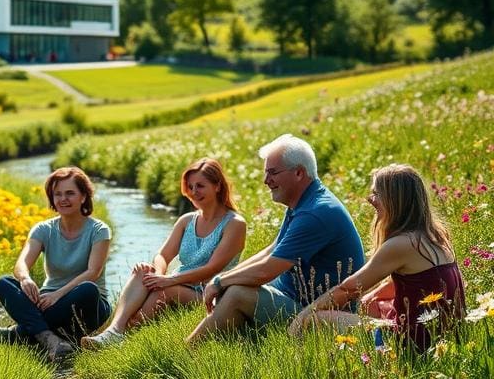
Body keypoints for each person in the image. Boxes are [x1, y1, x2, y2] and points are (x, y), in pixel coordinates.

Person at [186, 134, 364, 345]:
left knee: (236, 294)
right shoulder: (304, 202)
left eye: (273, 173)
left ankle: (189, 351)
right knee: (232, 289)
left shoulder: (315, 212)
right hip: (292, 296)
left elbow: (266, 270)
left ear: (298, 172)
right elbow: (273, 249)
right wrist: (227, 277)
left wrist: (219, 281)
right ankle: (219, 351)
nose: (266, 181)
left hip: (315, 310)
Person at [289, 164, 465, 351]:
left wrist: (303, 315)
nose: (370, 199)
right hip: (446, 336)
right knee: (372, 304)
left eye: (376, 194)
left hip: (413, 344)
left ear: (394, 200)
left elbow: (348, 289)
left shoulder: (402, 244)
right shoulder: (435, 234)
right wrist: (372, 296)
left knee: (316, 318)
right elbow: (427, 282)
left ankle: (374, 351)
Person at [81, 158, 246, 348]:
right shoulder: (186, 221)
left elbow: (212, 268)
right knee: (144, 271)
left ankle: (124, 336)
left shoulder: (234, 223)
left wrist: (170, 280)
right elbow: (162, 255)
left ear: (217, 186)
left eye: (200, 186)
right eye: (190, 186)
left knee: (165, 290)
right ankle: (114, 331)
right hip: (179, 283)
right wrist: (157, 274)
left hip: (210, 292)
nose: (193, 192)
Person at [0, 166, 112, 359]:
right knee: (4, 283)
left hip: (88, 304)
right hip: (48, 302)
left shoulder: (99, 230)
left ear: (83, 196)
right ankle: (50, 338)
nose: (63, 199)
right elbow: (21, 263)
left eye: (70, 193)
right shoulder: (43, 229)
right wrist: (25, 279)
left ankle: (18, 334)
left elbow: (93, 272)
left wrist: (58, 294)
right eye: (58, 194)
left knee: (89, 289)